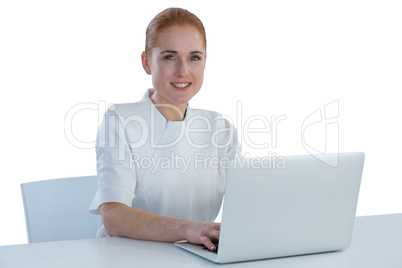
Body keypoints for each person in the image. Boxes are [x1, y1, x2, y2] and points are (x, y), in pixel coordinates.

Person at [89, 7, 242, 252]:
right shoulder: (120, 120)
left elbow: (246, 204)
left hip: (197, 257)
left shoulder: (220, 129)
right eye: (170, 57)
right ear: (146, 62)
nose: (183, 71)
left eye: (194, 57)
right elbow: (114, 217)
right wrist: (186, 230)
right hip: (124, 258)